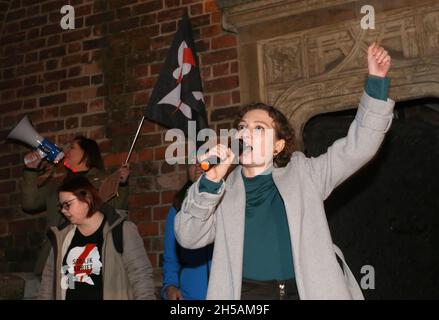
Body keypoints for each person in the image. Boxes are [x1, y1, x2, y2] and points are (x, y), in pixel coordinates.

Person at [174, 43, 394, 299]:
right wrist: (210, 181)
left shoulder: (305, 174)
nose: (246, 133)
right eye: (243, 127)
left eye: (259, 128)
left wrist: (376, 84)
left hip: (304, 291)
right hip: (248, 295)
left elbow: (360, 147)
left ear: (278, 145)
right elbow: (188, 237)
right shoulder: (222, 189)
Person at [21, 135, 130, 275]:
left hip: (87, 259)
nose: (66, 152)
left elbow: (117, 210)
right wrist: (30, 170)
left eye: (72, 147)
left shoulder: (103, 180)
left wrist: (121, 184)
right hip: (56, 256)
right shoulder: (58, 185)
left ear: (86, 153)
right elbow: (30, 204)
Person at [38, 175, 155, 300]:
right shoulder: (61, 237)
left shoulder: (122, 230)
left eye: (67, 204)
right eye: (61, 206)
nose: (63, 210)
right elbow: (48, 281)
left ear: (87, 198)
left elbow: (141, 276)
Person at [161, 163, 213, 300]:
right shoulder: (178, 207)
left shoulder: (224, 201)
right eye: (191, 163)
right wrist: (170, 286)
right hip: (190, 295)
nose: (197, 166)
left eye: (202, 161)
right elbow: (170, 257)